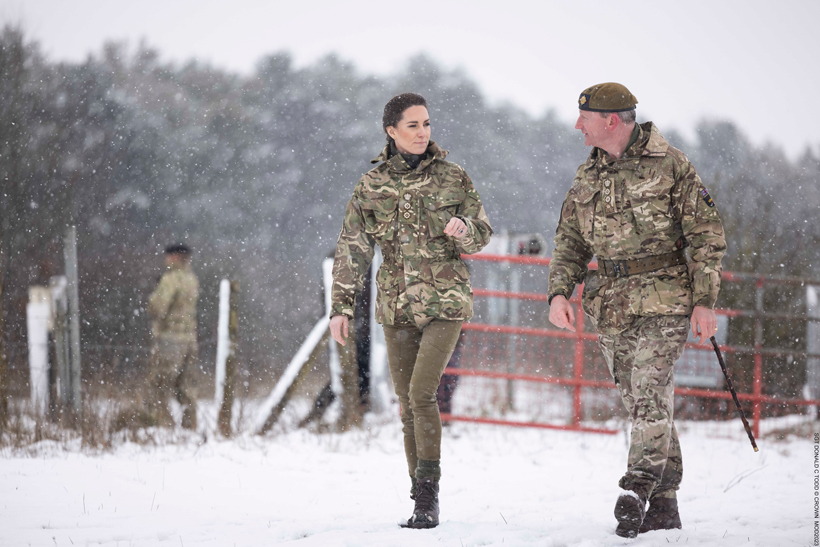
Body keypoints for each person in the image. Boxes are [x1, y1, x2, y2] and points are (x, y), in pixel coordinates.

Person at [547, 83, 726, 538]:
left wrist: (705, 300)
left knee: (648, 390)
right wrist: (558, 294)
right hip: (610, 305)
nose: (576, 125)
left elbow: (706, 234)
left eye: (583, 118)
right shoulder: (586, 178)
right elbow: (569, 243)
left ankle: (637, 488)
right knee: (645, 402)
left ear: (611, 120)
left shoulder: (671, 165)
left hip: (665, 298)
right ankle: (665, 505)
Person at [329, 92, 493, 529]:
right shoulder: (372, 185)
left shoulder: (454, 177)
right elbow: (353, 248)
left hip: (445, 302)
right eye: (413, 125)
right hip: (397, 305)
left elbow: (483, 233)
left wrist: (466, 230)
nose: (423, 133)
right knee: (407, 403)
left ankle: (429, 493)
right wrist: (341, 306)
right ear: (391, 131)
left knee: (422, 393)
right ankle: (418, 495)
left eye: (427, 124)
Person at [146, 243, 200, 430]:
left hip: (170, 339)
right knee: (186, 387)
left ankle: (162, 425)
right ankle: (190, 425)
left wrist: (154, 296)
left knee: (159, 385)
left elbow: (157, 308)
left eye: (168, 256)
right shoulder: (191, 279)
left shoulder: (171, 279)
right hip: (189, 340)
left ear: (176, 257)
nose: (166, 260)